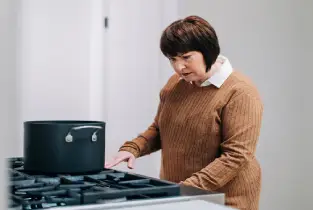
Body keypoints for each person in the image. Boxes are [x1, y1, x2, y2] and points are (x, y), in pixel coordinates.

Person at [105, 15, 264, 210]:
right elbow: (160, 129)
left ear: (208, 51)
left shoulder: (240, 91)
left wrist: (187, 189)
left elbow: (237, 156)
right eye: (173, 59)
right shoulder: (175, 84)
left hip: (226, 199)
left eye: (186, 57)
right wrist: (132, 148)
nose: (179, 67)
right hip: (181, 194)